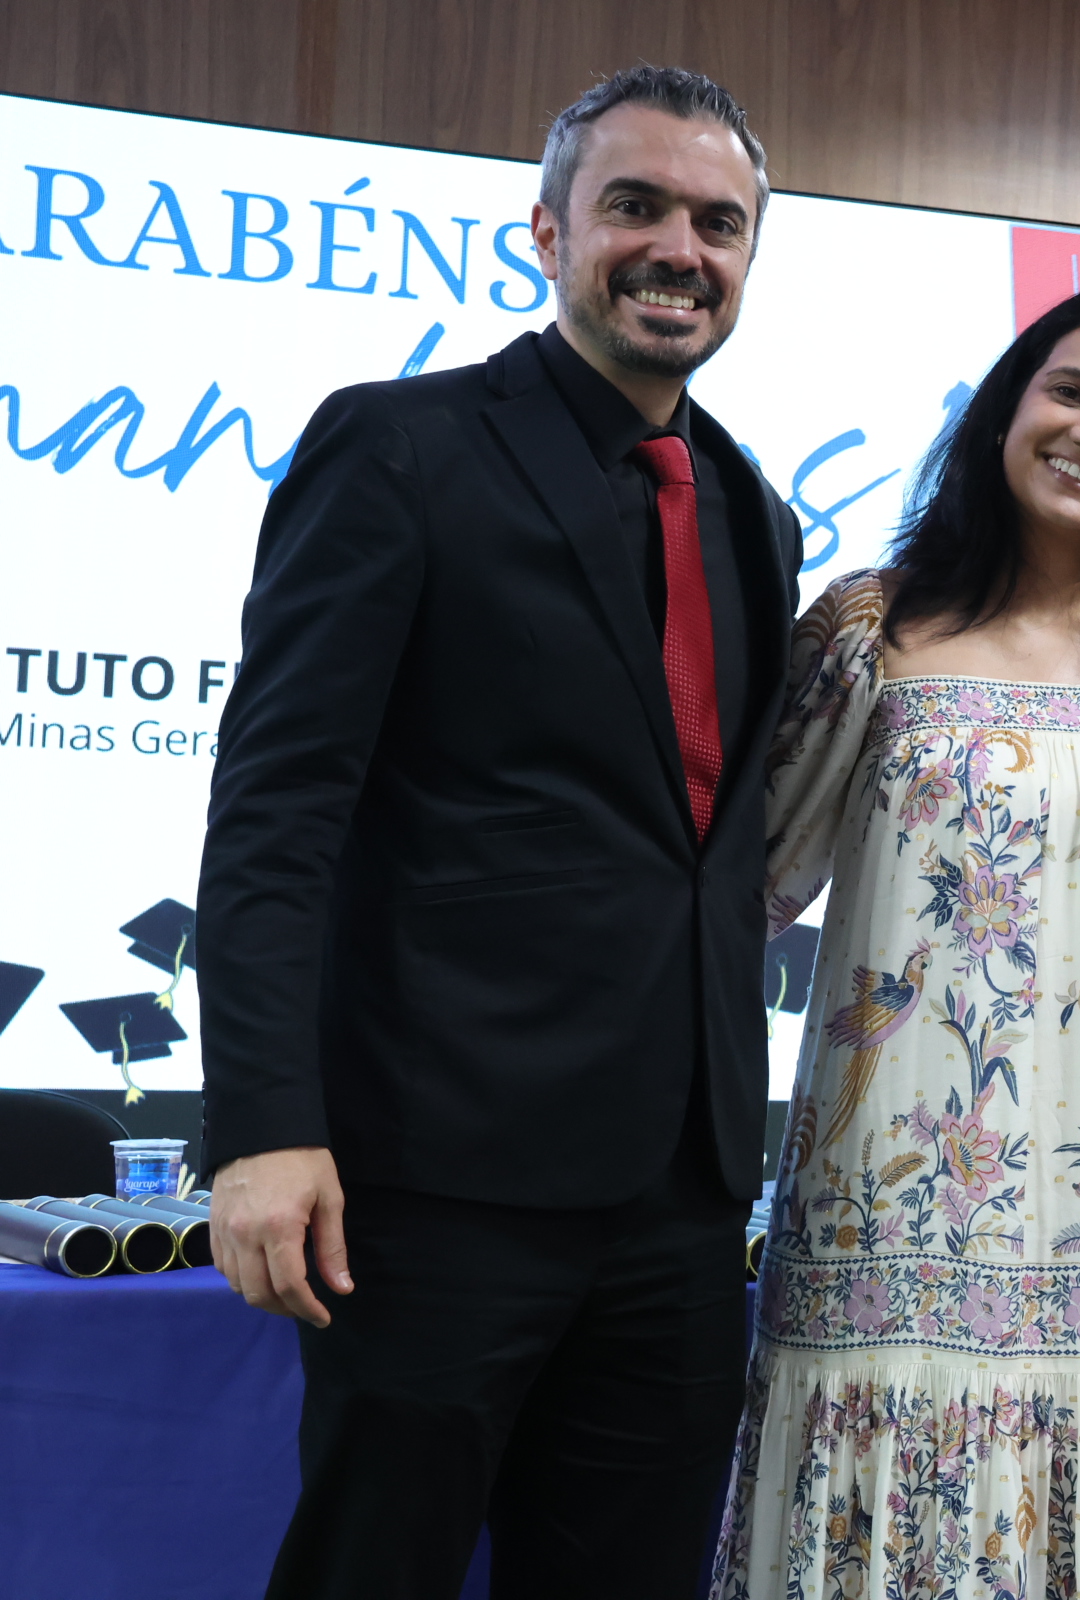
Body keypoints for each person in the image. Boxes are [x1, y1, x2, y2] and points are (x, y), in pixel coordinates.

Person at [197, 67, 801, 1599]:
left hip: (684, 1199)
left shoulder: (752, 511)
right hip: (434, 1188)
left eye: (718, 222)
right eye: (636, 206)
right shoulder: (399, 449)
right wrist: (262, 1126)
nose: (679, 249)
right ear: (546, 230)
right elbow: (277, 810)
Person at [712, 285, 1080, 1600]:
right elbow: (740, 889)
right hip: (886, 1225)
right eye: (1070, 392)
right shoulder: (872, 634)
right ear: (1004, 410)